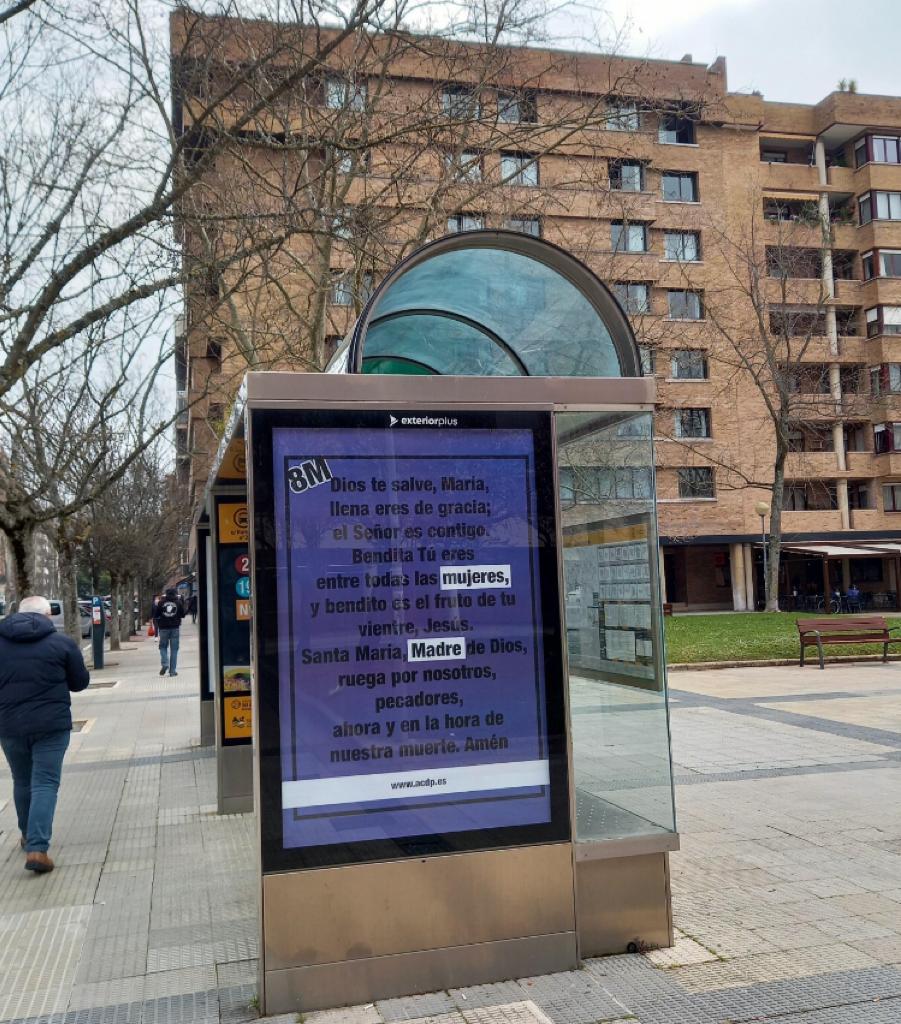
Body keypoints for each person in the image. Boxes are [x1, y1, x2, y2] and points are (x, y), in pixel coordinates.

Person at [0, 595, 90, 872]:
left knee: (21, 780)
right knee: (45, 783)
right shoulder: (61, 643)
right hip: (51, 725)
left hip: (9, 725)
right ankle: (38, 849)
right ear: (47, 615)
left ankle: (28, 836)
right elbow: (79, 682)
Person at [152, 588, 185, 677]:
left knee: (163, 647)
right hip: (175, 628)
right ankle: (172, 671)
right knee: (174, 650)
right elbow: (183, 615)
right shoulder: (178, 602)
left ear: (166, 594)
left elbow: (156, 615)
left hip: (163, 628)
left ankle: (165, 663)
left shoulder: (161, 603)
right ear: (175, 594)